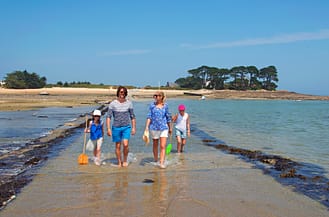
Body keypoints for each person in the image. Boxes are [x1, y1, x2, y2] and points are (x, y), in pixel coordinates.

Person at [106, 86, 136, 167]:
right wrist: (108, 128)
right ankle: (119, 161)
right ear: (118, 93)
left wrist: (133, 128)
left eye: (123, 92)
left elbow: (132, 116)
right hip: (116, 127)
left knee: (125, 144)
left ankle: (125, 160)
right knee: (118, 145)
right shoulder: (112, 104)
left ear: (125, 93)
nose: (122, 93)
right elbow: (108, 117)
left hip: (126, 127)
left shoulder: (129, 103)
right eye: (121, 92)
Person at [144, 91, 172, 169]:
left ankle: (161, 162)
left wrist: (170, 128)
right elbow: (149, 116)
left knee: (163, 146)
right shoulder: (152, 105)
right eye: (155, 96)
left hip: (164, 127)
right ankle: (156, 159)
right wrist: (146, 127)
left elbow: (168, 117)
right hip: (154, 128)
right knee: (155, 145)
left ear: (162, 97)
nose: (156, 97)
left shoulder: (165, 106)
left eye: (158, 96)